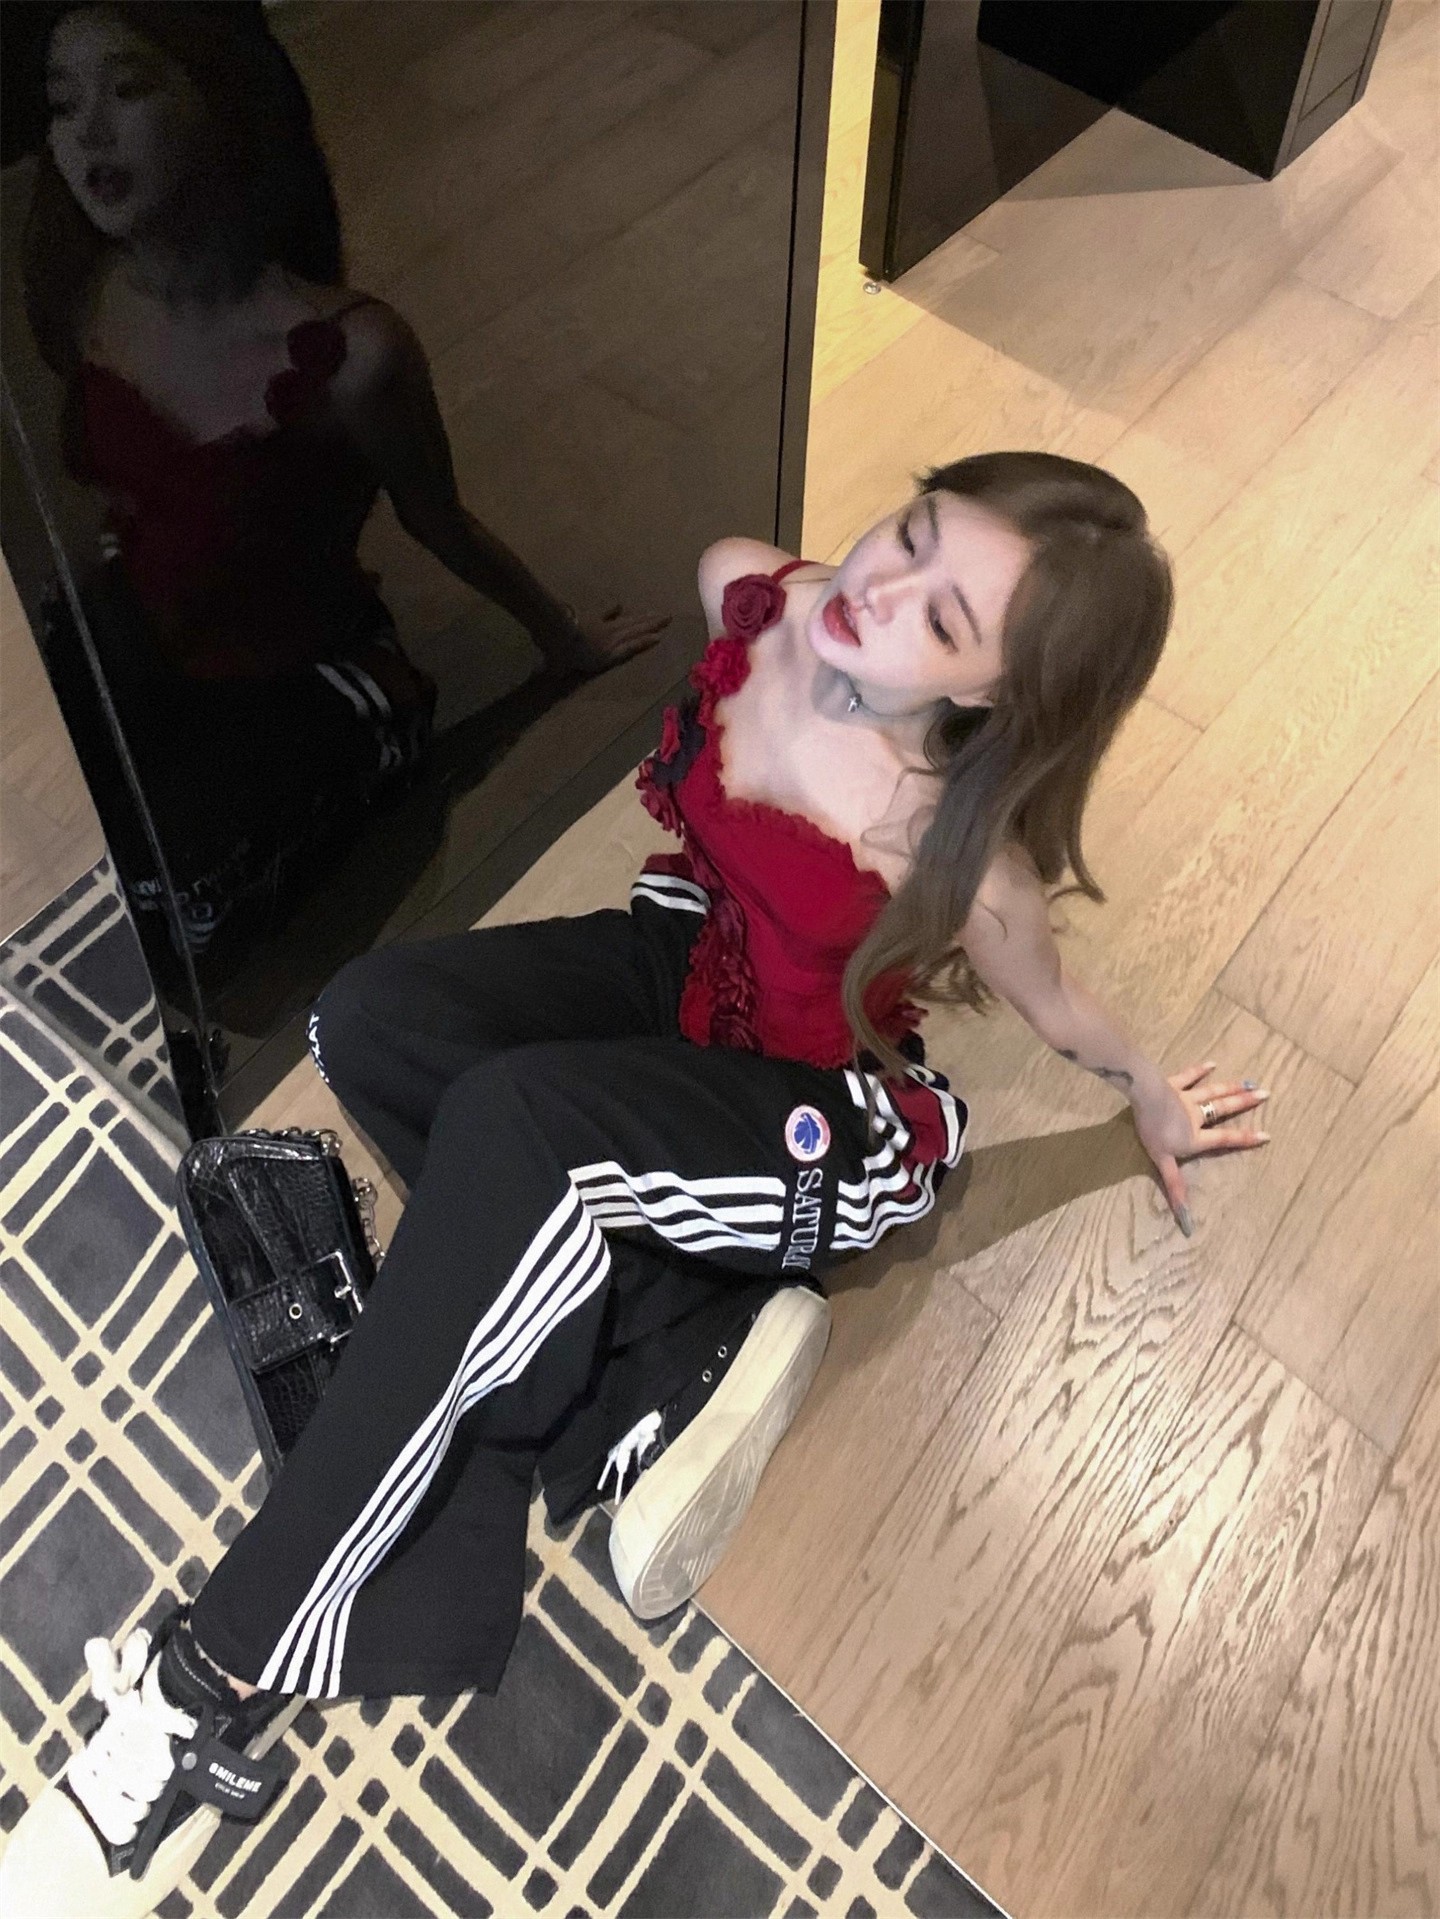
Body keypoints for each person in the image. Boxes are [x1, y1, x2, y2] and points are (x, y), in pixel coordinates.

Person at [0, 452, 1271, 1916]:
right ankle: (652, 1373)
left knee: (519, 1134)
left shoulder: (958, 850)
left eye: (944, 620)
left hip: (810, 1113)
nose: (883, 587)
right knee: (367, 1019)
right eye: (912, 532)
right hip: (678, 974)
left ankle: (210, 1678)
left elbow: (1058, 1007)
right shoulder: (752, 589)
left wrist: (1148, 1093)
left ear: (996, 696)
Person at [21, 1, 668, 967]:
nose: (89, 135)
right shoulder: (90, 296)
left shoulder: (350, 353)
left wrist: (561, 639)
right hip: (157, 622)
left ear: (224, 102)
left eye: (128, 88)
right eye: (64, 104)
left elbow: (439, 520)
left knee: (170, 898)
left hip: (303, 668)